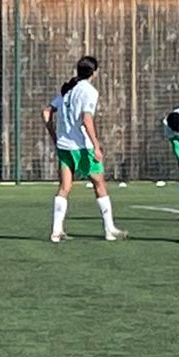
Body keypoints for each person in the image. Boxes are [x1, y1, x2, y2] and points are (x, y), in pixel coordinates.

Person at [48, 55, 120, 243]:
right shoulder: (88, 91)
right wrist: (96, 145)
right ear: (94, 72)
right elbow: (86, 119)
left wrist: (54, 136)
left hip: (64, 146)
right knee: (99, 184)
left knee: (64, 188)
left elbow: (46, 112)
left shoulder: (68, 90)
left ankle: (56, 231)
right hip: (82, 147)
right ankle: (109, 229)